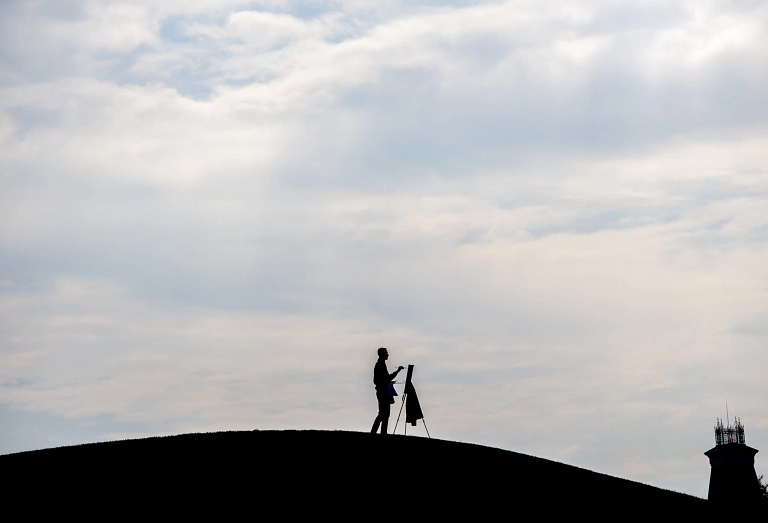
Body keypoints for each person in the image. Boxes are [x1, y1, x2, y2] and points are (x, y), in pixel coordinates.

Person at [370, 347, 404, 435]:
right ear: (382, 354)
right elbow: (386, 378)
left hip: (383, 391)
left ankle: (381, 432)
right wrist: (397, 371)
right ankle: (377, 432)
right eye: (386, 353)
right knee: (383, 414)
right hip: (383, 392)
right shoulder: (380, 365)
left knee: (384, 414)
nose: (388, 355)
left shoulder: (381, 364)